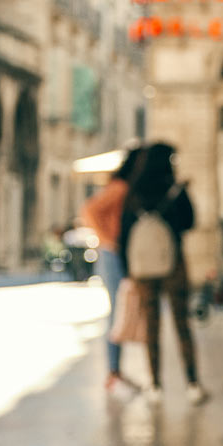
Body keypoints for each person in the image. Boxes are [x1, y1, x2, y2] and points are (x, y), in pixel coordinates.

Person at [118, 142, 207, 406]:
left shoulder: (133, 192)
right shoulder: (174, 189)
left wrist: (127, 270)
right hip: (173, 262)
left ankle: (155, 384)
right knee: (182, 323)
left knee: (151, 324)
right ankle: (192, 383)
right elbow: (190, 221)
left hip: (143, 268)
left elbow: (123, 234)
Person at [81, 146, 143, 400]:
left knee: (120, 310)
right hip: (111, 254)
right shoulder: (120, 187)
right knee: (117, 312)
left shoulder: (125, 187)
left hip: (115, 253)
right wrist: (109, 239)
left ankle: (116, 371)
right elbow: (89, 210)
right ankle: (113, 374)